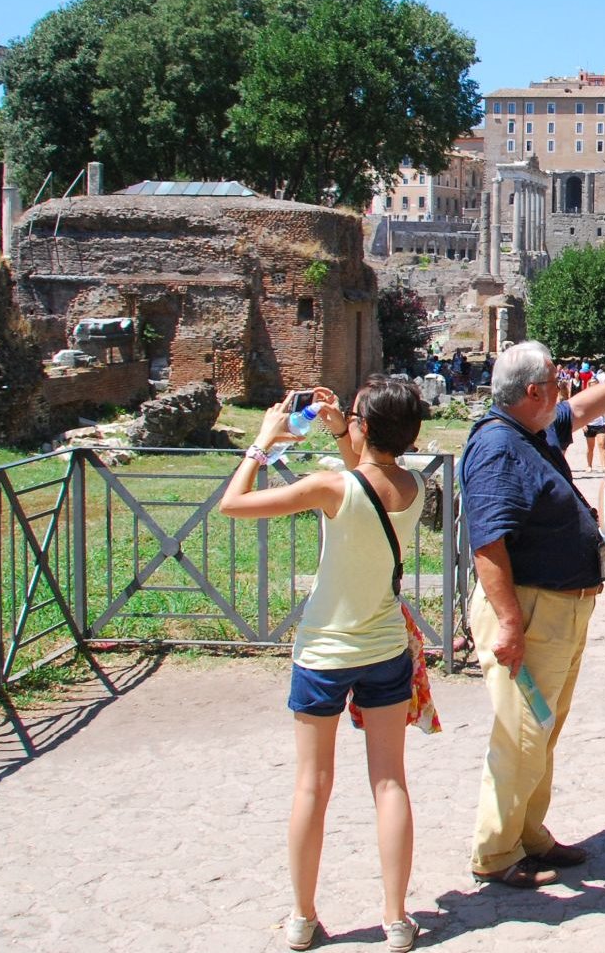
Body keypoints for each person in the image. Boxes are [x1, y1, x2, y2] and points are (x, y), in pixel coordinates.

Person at [219, 376, 433, 952]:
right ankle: (395, 920)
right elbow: (368, 478)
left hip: (323, 652)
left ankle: (302, 917)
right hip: (384, 647)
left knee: (311, 786)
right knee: (390, 783)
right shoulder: (411, 487)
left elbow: (232, 503)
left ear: (367, 427)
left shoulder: (329, 487)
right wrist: (346, 426)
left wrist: (262, 443)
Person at [460, 340, 605, 889]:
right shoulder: (496, 448)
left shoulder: (530, 430)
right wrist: (510, 623)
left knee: (543, 728)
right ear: (532, 391)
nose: (563, 389)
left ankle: (528, 832)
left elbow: (579, 411)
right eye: (556, 381)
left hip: (557, 608)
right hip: (530, 611)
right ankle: (495, 850)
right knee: (522, 733)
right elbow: (488, 544)